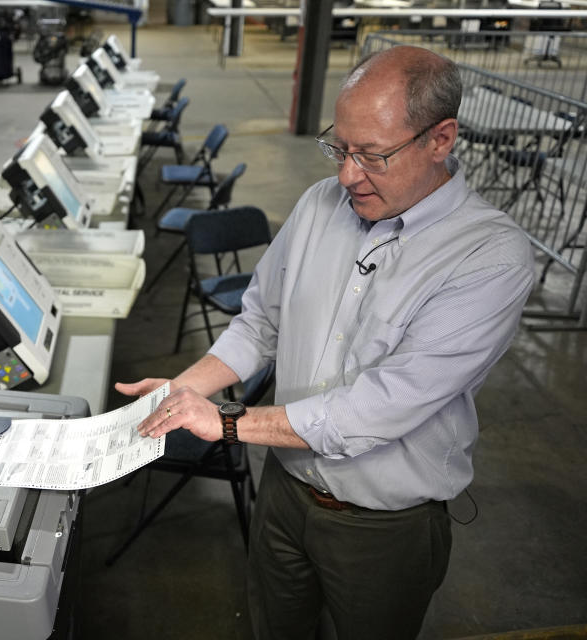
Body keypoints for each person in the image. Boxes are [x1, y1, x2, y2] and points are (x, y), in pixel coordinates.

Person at [116, 45, 535, 640]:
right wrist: (182, 394)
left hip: (382, 528)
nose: (346, 175)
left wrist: (227, 423)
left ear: (441, 139)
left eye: (372, 156)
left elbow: (378, 408)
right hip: (284, 495)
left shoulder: (488, 257)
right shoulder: (320, 205)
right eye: (339, 147)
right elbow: (260, 321)